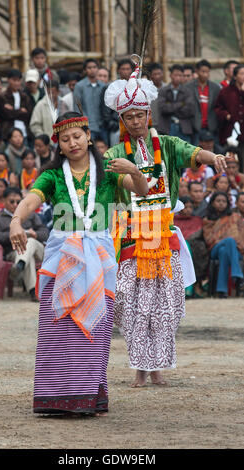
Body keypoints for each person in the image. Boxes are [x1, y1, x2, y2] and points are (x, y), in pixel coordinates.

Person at [9, 110, 148, 416]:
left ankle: (87, 396)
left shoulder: (110, 170)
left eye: (77, 136)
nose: (72, 143)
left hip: (98, 256)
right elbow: (31, 199)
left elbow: (143, 191)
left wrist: (135, 172)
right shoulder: (53, 175)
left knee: (94, 330)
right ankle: (56, 397)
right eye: (64, 139)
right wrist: (17, 219)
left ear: (88, 137)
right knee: (57, 328)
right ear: (57, 145)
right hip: (62, 256)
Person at [104, 59, 227, 387]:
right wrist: (132, 171)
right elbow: (133, 187)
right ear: (122, 120)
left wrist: (212, 158)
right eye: (128, 116)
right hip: (131, 236)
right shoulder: (115, 153)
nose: (134, 121)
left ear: (149, 115)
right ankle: (138, 367)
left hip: (163, 235)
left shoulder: (168, 145)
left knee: (164, 304)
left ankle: (156, 367)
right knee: (131, 302)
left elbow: (192, 151)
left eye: (139, 115)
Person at [0, 186, 49, 302]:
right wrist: (16, 234)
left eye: (18, 202)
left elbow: (45, 233)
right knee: (26, 253)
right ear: (4, 201)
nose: (15, 204)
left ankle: (19, 266)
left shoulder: (31, 215)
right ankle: (33, 291)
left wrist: (34, 234)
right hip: (13, 252)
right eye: (11, 201)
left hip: (38, 250)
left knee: (30, 242)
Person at [203, 191, 244, 298]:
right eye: (218, 201)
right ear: (212, 203)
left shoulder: (235, 217)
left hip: (235, 250)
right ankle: (237, 274)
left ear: (228, 204)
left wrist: (226, 240)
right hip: (214, 249)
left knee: (224, 252)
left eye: (224, 201)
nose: (221, 203)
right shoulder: (208, 219)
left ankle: (222, 290)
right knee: (229, 241)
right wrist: (223, 239)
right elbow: (209, 239)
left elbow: (241, 235)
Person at [174, 196, 208, 299]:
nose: (188, 209)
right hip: (177, 247)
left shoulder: (197, 220)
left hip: (194, 246)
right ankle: (184, 289)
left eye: (190, 207)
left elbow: (199, 234)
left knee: (197, 248)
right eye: (185, 207)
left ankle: (193, 287)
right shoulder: (173, 220)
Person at [214, 65, 244, 171]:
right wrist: (226, 114)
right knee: (230, 159)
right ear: (235, 76)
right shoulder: (226, 92)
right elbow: (217, 108)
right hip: (230, 132)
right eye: (242, 74)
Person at [186, 59, 220, 146]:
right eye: (203, 71)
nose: (205, 74)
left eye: (207, 72)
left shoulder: (215, 88)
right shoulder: (188, 87)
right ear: (197, 71)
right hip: (195, 127)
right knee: (195, 154)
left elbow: (218, 107)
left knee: (213, 154)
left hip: (211, 127)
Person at [73, 59, 107, 143]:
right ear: (85, 70)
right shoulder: (79, 86)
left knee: (106, 150)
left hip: (103, 125)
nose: (92, 70)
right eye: (89, 67)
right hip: (88, 126)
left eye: (94, 67)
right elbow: (77, 107)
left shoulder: (103, 86)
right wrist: (83, 124)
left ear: (98, 69)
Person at [158, 64, 194, 142]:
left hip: (184, 128)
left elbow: (189, 110)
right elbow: (163, 108)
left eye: (180, 75)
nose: (178, 77)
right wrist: (181, 104)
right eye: (175, 75)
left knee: (185, 152)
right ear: (170, 75)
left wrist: (170, 106)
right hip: (167, 127)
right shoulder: (163, 90)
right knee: (167, 151)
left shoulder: (187, 91)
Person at [146, 62, 167, 132]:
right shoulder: (146, 89)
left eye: (159, 73)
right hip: (150, 126)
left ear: (163, 74)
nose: (157, 76)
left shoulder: (167, 88)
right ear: (150, 75)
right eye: (155, 74)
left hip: (165, 125)